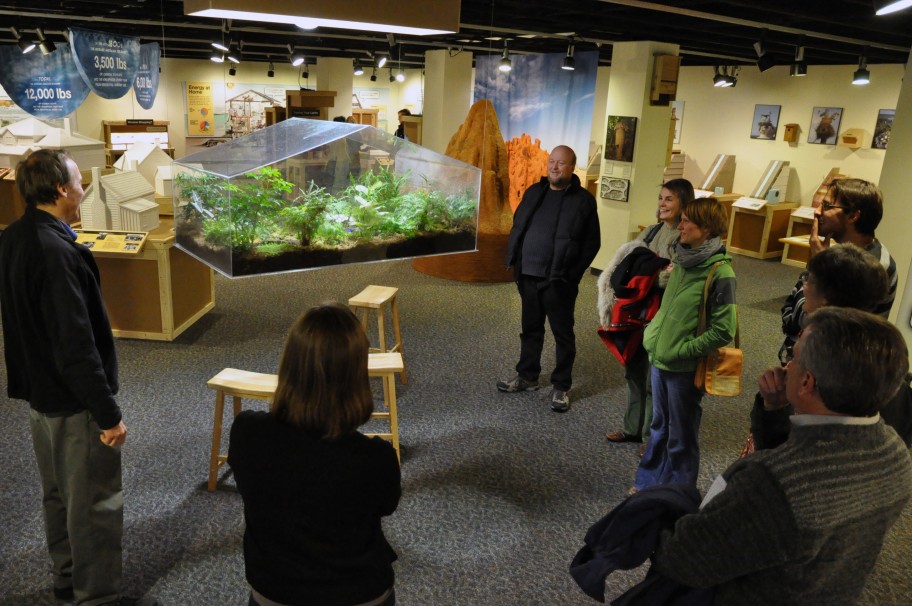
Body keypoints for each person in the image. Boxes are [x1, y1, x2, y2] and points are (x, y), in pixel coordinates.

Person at [650, 308, 912, 605]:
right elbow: (801, 464)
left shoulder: (771, 483)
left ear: (806, 383)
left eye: (793, 357)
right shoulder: (896, 453)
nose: (785, 365)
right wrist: (775, 411)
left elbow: (683, 560)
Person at [0, 149, 129, 605]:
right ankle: (97, 596)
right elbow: (75, 344)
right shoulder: (56, 252)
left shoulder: (14, 237)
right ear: (61, 190)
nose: (82, 189)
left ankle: (67, 576)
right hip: (74, 403)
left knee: (57, 494)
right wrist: (108, 413)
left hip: (40, 397)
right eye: (78, 182)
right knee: (92, 501)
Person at [228, 303, 401, 606]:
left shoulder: (247, 433)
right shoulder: (375, 458)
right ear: (357, 375)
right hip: (359, 593)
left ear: (290, 364)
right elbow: (385, 505)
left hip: (274, 591)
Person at [751, 244, 912, 449]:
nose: (804, 286)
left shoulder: (820, 363)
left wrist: (772, 407)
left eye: (807, 280)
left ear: (825, 297)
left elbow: (782, 451)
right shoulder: (888, 354)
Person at [633, 197, 736, 492]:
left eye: (687, 220)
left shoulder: (721, 273)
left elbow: (724, 330)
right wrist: (653, 336)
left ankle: (679, 492)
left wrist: (683, 351)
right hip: (660, 358)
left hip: (684, 367)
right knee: (658, 429)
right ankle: (649, 483)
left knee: (681, 434)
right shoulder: (682, 261)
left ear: (707, 227)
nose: (680, 225)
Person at [497, 145, 601, 412]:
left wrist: (573, 276)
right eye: (552, 162)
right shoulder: (534, 193)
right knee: (530, 330)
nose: (555, 167)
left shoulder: (583, 201)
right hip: (528, 276)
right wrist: (516, 263)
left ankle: (561, 386)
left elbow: (592, 243)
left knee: (562, 334)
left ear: (572, 166)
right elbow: (518, 227)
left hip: (559, 281)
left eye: (561, 163)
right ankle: (528, 376)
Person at [600, 179, 694, 447]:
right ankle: (632, 428)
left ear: (683, 203)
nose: (662, 204)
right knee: (633, 369)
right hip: (635, 312)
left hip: (662, 314)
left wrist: (646, 276)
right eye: (661, 198)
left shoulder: (685, 236)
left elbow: (673, 279)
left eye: (669, 199)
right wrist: (650, 275)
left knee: (655, 378)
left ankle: (650, 439)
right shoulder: (652, 232)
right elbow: (628, 267)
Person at [780, 178, 897, 361]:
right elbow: (792, 310)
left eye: (827, 206)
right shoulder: (842, 254)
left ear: (853, 216)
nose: (817, 212)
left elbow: (806, 319)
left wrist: (820, 265)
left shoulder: (870, 267)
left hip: (832, 364)